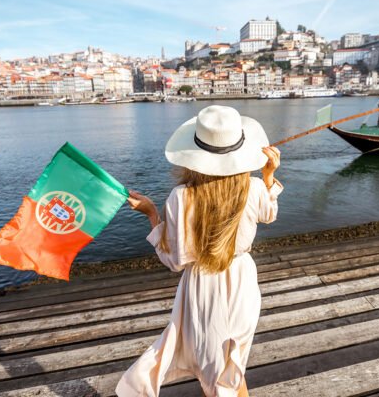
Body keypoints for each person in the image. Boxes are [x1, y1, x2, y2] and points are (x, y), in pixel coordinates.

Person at [116, 105, 282, 397]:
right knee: (230, 366)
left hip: (204, 289)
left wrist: (152, 215)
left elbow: (176, 261)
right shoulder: (254, 187)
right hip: (243, 283)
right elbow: (268, 214)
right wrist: (268, 176)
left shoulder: (181, 197)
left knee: (218, 376)